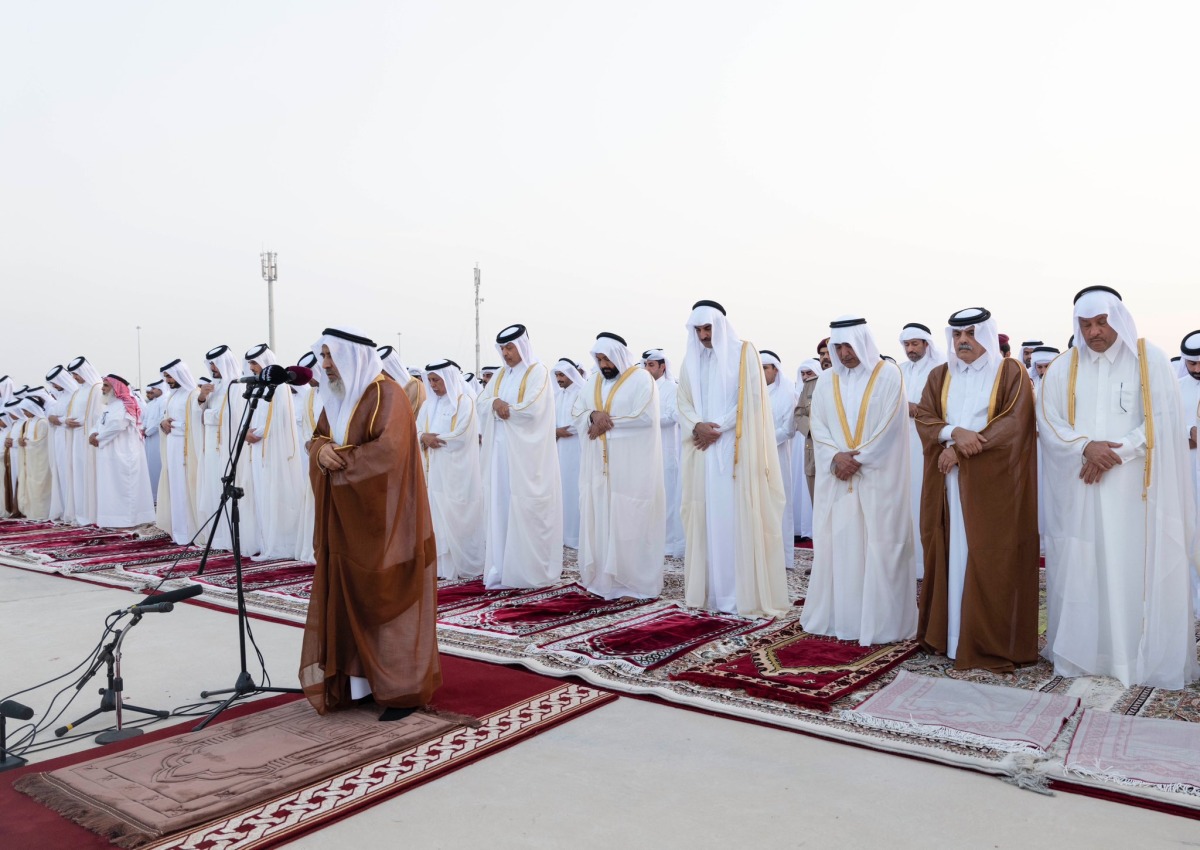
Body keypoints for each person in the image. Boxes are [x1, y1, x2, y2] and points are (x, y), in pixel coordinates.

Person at [1039, 286, 1199, 689]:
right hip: (1082, 489)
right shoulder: (1062, 368)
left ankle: (1132, 657)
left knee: (1132, 567)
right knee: (1084, 564)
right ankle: (1086, 653)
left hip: (1135, 491)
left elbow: (1163, 417)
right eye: (1086, 325)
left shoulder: (1150, 360)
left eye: (1101, 323)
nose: (1094, 332)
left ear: (1119, 320)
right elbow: (1049, 420)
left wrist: (1116, 452)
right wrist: (1085, 447)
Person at [300, 326, 440, 718]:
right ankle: (356, 684)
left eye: (330, 356)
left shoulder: (387, 394)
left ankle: (401, 688)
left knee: (385, 598)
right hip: (344, 520)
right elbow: (319, 437)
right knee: (348, 598)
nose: (325, 365)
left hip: (384, 519)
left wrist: (338, 460)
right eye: (323, 356)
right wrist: (319, 451)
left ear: (352, 357)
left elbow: (388, 452)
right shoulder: (337, 398)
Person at [914, 308, 1039, 671]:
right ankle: (949, 636)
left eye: (970, 333)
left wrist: (962, 451)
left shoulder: (1010, 371)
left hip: (993, 485)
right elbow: (925, 416)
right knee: (949, 551)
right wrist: (952, 434)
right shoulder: (941, 374)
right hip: (946, 483)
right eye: (957, 335)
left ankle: (985, 642)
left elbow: (1014, 423)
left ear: (985, 334)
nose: (963, 341)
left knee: (989, 556)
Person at [804, 316, 916, 645]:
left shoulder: (888, 374)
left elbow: (891, 425)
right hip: (837, 478)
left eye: (849, 346)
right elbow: (818, 425)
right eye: (838, 347)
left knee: (881, 545)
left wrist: (858, 460)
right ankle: (840, 617)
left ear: (863, 343)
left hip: (878, 479)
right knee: (839, 544)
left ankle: (881, 623)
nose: (844, 353)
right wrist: (834, 457)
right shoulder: (827, 380)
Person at [676, 300, 788, 617]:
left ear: (720, 326)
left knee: (735, 516)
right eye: (698, 330)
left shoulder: (744, 353)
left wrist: (718, 427)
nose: (703, 335)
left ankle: (739, 594)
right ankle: (711, 593)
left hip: (734, 450)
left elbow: (751, 398)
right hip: (702, 450)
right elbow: (682, 401)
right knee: (704, 517)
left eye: (708, 328)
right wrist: (697, 425)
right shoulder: (691, 360)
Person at [572, 333, 665, 599]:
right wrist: (592, 415)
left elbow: (645, 417)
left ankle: (634, 584)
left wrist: (605, 423)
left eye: (607, 359)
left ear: (619, 356)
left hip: (631, 468)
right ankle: (603, 580)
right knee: (601, 518)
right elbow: (577, 411)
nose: (604, 365)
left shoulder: (641, 379)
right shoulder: (593, 382)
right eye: (599, 359)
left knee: (629, 519)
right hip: (598, 469)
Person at [476, 324, 563, 589]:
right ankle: (503, 568)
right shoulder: (501, 375)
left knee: (527, 508)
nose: (506, 353)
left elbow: (533, 409)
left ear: (522, 346)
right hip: (500, 455)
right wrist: (495, 403)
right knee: (501, 506)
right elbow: (482, 401)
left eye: (510, 348)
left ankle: (529, 571)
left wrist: (505, 408)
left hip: (528, 457)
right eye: (502, 348)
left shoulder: (538, 372)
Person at [418, 359, 485, 580]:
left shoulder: (464, 402)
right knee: (437, 517)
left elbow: (462, 434)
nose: (433, 385)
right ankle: (440, 567)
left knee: (459, 517)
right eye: (430, 381)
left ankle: (462, 565)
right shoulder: (427, 406)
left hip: (458, 473)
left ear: (448, 378)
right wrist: (423, 437)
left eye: (437, 380)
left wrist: (433, 439)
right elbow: (416, 431)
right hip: (434, 474)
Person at [243, 343, 305, 559]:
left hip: (274, 449)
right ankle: (265, 541)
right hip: (257, 450)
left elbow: (280, 418)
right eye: (250, 363)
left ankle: (280, 543)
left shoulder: (281, 387)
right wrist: (247, 432)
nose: (251, 367)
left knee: (275, 494)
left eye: (254, 363)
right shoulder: (257, 387)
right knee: (261, 494)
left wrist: (256, 433)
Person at [898, 322, 945, 583]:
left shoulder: (940, 369)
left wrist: (917, 409)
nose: (910, 349)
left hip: (928, 444)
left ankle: (925, 563)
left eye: (915, 344)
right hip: (901, 445)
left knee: (924, 498)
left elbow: (944, 406)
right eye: (906, 344)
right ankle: (905, 563)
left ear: (927, 344)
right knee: (904, 500)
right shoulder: (899, 370)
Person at [198, 345, 251, 551]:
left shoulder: (237, 386)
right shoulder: (213, 388)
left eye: (215, 364)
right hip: (212, 446)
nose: (212, 368)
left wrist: (209, 415)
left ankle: (230, 537)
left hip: (228, 445)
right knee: (212, 487)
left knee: (229, 487)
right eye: (210, 364)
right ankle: (217, 537)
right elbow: (201, 415)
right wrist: (202, 398)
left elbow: (235, 417)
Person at [90, 375, 155, 528]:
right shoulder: (110, 406)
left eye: (106, 386)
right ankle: (111, 519)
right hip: (109, 452)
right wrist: (93, 433)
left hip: (124, 452)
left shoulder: (125, 405)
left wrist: (99, 438)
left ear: (116, 388)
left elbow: (118, 425)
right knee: (111, 487)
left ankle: (127, 520)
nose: (102, 389)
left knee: (125, 487)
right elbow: (99, 424)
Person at [155, 359, 204, 545]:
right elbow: (165, 418)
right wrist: (163, 423)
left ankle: (190, 532)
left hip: (186, 449)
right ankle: (178, 532)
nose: (167, 380)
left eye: (170, 376)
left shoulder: (193, 394)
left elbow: (196, 423)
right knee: (174, 488)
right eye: (166, 377)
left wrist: (174, 425)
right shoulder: (172, 396)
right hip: (172, 447)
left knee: (185, 488)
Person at [643, 348, 685, 557]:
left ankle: (668, 543)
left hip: (666, 451)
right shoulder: (643, 388)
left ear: (663, 367)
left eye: (651, 365)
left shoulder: (671, 388)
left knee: (667, 499)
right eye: (645, 365)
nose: (647, 369)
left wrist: (646, 421)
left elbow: (673, 416)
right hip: (644, 452)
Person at [761, 350, 797, 569]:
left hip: (777, 455)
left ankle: (782, 558)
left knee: (778, 502)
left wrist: (762, 442)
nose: (761, 372)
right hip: (753, 457)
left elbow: (789, 429)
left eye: (765, 368)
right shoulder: (751, 391)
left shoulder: (787, 392)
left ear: (776, 369)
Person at [553, 358, 586, 549]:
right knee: (562, 490)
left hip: (576, 448)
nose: (559, 379)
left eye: (562, 375)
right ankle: (563, 535)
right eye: (557, 375)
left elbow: (582, 420)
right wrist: (554, 431)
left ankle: (576, 537)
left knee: (575, 490)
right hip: (559, 448)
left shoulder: (582, 393)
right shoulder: (558, 395)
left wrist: (560, 431)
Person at [293, 350, 323, 563]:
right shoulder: (310, 395)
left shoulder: (337, 392)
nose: (309, 380)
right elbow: (305, 424)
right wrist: (308, 442)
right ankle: (311, 547)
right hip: (311, 455)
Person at [791, 358, 819, 541]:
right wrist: (810, 429)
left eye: (809, 372)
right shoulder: (804, 390)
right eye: (802, 373)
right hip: (806, 442)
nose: (805, 376)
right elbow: (799, 413)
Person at [43, 366, 74, 520]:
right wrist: (53, 419)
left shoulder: (74, 394)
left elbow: (74, 418)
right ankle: (64, 508)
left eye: (55, 382)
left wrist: (59, 420)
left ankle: (72, 509)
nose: (54, 386)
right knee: (61, 471)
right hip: (59, 437)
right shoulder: (61, 396)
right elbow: (50, 415)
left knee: (69, 472)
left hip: (70, 438)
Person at [13, 396, 51, 519]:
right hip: (29, 461)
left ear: (32, 408)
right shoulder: (28, 422)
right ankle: (30, 512)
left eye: (26, 410)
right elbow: (24, 438)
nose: (24, 413)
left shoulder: (42, 422)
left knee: (39, 487)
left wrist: (26, 443)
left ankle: (41, 513)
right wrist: (20, 441)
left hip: (40, 462)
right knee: (29, 486)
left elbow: (41, 443)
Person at [378, 344, 427, 416]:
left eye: (382, 370)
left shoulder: (415, 387)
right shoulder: (386, 387)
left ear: (390, 369)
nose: (379, 374)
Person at [141, 380, 165, 501]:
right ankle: (151, 496)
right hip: (148, 439)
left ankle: (158, 497)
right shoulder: (150, 404)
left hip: (158, 438)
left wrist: (147, 431)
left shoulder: (164, 401)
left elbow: (160, 420)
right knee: (149, 467)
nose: (151, 391)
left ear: (160, 389)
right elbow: (145, 419)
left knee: (157, 466)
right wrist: (143, 429)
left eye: (153, 389)